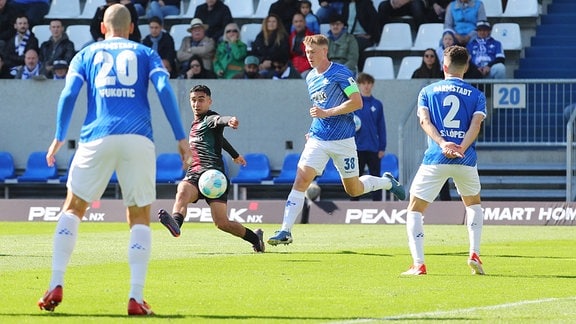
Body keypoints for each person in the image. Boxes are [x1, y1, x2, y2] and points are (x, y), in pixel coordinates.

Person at [37, 4, 191, 315]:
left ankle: (55, 281)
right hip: (138, 137)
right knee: (138, 216)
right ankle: (135, 297)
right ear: (132, 27)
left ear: (104, 28)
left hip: (96, 135)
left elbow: (68, 94)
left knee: (73, 208)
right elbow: (163, 88)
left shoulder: (86, 54)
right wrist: (180, 138)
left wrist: (57, 136)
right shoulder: (145, 53)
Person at [267, 34, 405, 246]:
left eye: (312, 52)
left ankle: (387, 182)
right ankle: (285, 230)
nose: (309, 56)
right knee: (301, 179)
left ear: (324, 51)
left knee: (354, 189)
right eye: (306, 53)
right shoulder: (310, 77)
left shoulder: (341, 73)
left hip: (343, 140)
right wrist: (313, 129)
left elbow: (357, 102)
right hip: (318, 139)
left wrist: (327, 113)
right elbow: (317, 111)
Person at [401, 45, 486, 276]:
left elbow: (424, 122)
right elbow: (475, 125)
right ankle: (474, 253)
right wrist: (460, 147)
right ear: (466, 67)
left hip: (436, 157)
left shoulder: (427, 91)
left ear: (444, 66)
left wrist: (443, 144)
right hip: (465, 158)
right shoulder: (477, 95)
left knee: (415, 209)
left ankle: (419, 264)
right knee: (473, 205)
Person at [157, 85, 265, 253]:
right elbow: (219, 140)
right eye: (193, 100)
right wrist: (235, 155)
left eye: (201, 100)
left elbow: (219, 120)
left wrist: (229, 120)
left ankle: (255, 238)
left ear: (209, 101)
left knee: (222, 223)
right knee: (182, 190)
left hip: (214, 176)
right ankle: (176, 225)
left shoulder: (210, 118)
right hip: (195, 172)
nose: (196, 104)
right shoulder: (195, 124)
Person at [351, 72, 387, 202]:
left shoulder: (377, 104)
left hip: (373, 148)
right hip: (357, 148)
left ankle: (376, 205)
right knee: (355, 178)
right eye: (363, 83)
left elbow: (381, 127)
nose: (366, 86)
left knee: (375, 178)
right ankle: (353, 206)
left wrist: (382, 147)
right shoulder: (353, 104)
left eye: (368, 83)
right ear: (359, 85)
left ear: (372, 85)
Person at [343, 0, 381, 72]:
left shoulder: (366, 3)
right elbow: (344, 22)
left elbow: (374, 19)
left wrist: (370, 34)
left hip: (364, 37)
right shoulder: (346, 5)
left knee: (355, 45)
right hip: (350, 36)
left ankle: (359, 72)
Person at [289, 12, 313, 77]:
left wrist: (300, 69)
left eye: (300, 21)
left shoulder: (313, 37)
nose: (298, 24)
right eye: (296, 22)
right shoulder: (291, 37)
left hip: (307, 68)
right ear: (293, 23)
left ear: (305, 22)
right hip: (293, 66)